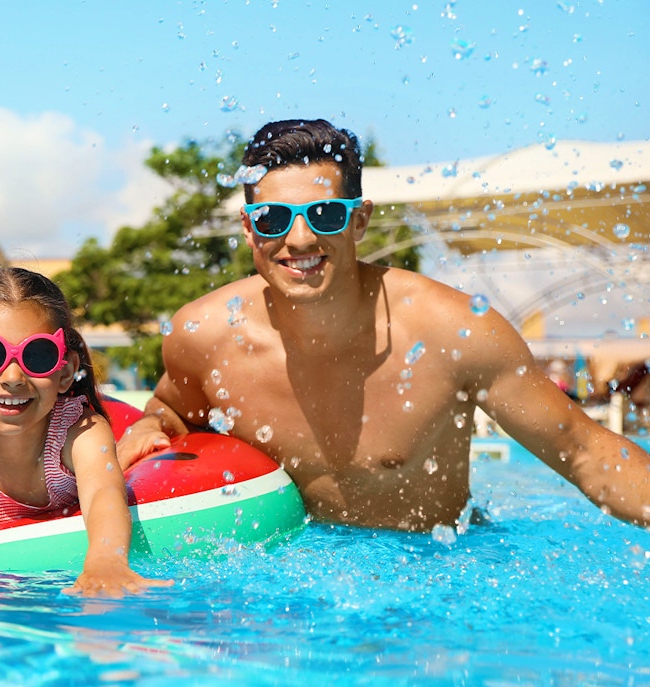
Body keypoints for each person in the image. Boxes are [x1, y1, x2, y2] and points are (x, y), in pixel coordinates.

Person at [117, 118, 650, 532]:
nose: (300, 239)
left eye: (325, 215)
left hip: (438, 576)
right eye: (274, 219)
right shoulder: (204, 335)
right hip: (289, 596)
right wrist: (150, 425)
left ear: (360, 219)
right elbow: (172, 409)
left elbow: (587, 453)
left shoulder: (454, 330)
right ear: (250, 228)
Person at [0, 267, 169, 596]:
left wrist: (106, 561)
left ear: (65, 371)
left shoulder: (78, 433)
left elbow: (104, 494)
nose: (14, 376)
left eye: (38, 355)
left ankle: (124, 453)